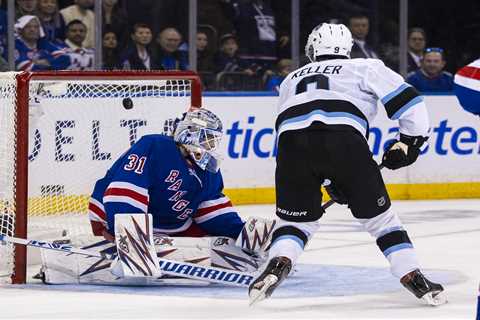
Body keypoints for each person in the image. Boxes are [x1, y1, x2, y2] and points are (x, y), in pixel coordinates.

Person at [248, 23, 446, 306]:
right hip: (344, 141)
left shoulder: (291, 77)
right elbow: (412, 104)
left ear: (314, 47)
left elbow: (295, 127)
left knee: (294, 222)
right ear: (347, 48)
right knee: (382, 221)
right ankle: (412, 276)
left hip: (291, 147)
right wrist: (408, 143)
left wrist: (329, 179)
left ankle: (279, 262)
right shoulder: (365, 67)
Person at [88, 108, 245, 242]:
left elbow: (211, 207)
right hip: (112, 217)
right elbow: (126, 189)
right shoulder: (156, 146)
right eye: (207, 139)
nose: (210, 146)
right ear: (190, 133)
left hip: (173, 226)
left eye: (213, 140)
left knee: (219, 242)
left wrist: (240, 233)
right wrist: (131, 234)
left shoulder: (207, 169)